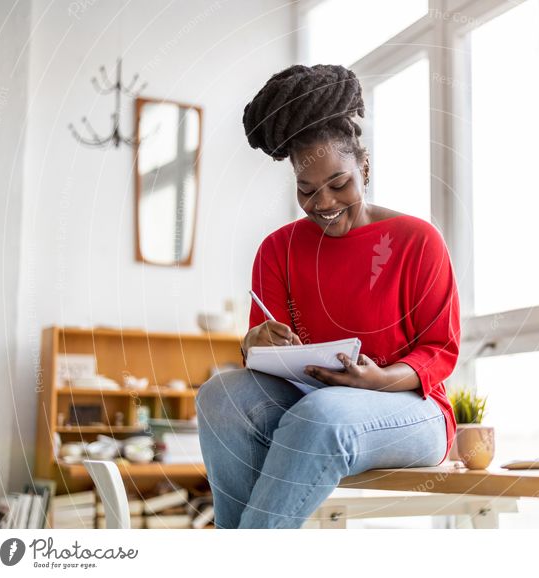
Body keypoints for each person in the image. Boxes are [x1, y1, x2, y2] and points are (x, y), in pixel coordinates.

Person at [196, 64, 460, 529]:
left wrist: (378, 379)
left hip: (412, 410)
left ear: (365, 168)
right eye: (306, 190)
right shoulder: (277, 250)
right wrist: (255, 342)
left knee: (322, 415)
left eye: (339, 184)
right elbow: (265, 359)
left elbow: (440, 352)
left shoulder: (418, 240)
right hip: (311, 401)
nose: (323, 203)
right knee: (220, 396)